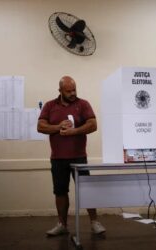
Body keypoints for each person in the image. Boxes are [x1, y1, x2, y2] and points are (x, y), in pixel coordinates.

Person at [37, 76, 106, 236]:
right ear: (60, 90)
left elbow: (93, 124)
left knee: (86, 189)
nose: (72, 93)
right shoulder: (49, 105)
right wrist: (58, 126)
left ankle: (94, 222)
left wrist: (74, 131)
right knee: (60, 192)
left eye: (74, 89)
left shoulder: (83, 104)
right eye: (68, 91)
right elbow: (40, 126)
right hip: (58, 158)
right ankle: (62, 224)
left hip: (79, 157)